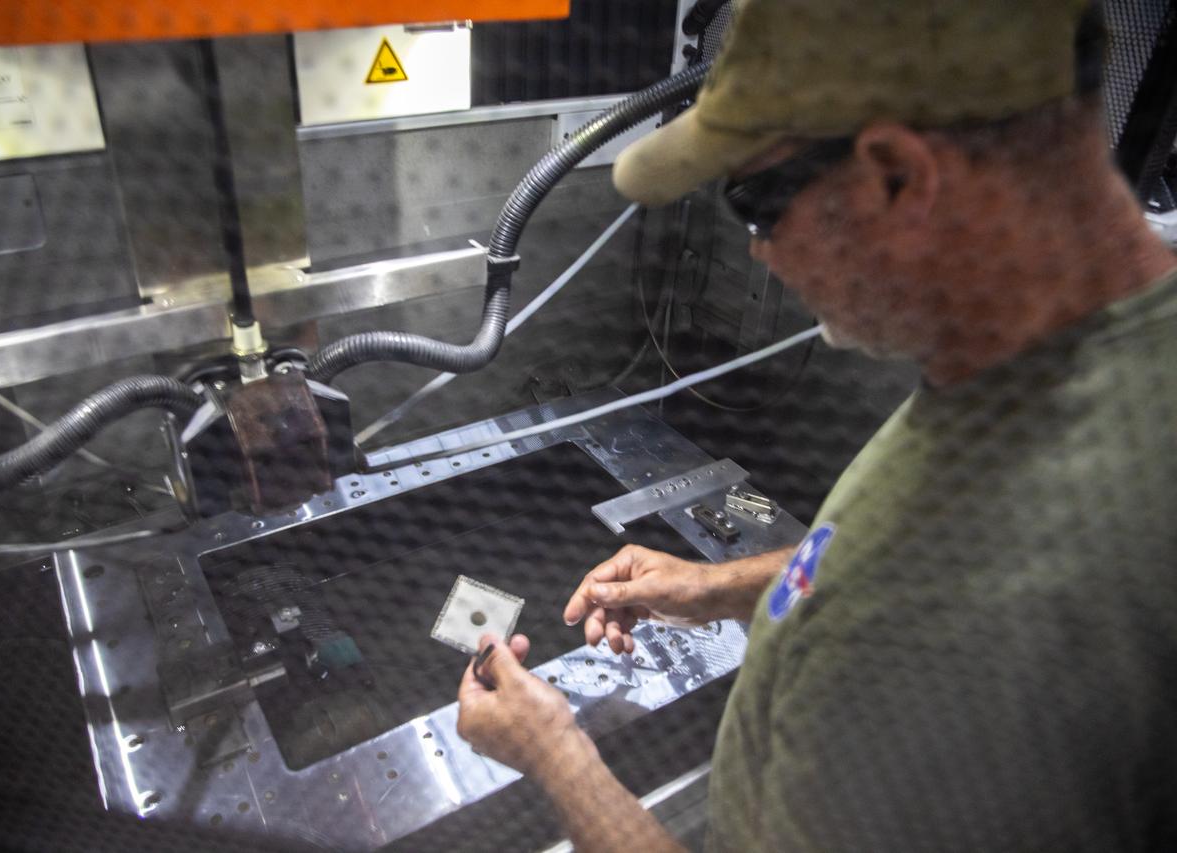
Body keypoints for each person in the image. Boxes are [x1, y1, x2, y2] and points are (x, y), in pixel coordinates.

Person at [457, 0, 1177, 849]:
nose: (758, 253)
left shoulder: (975, 626)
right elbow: (902, 548)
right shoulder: (1052, 363)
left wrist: (555, 754)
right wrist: (711, 587)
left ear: (897, 177)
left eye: (757, 204)